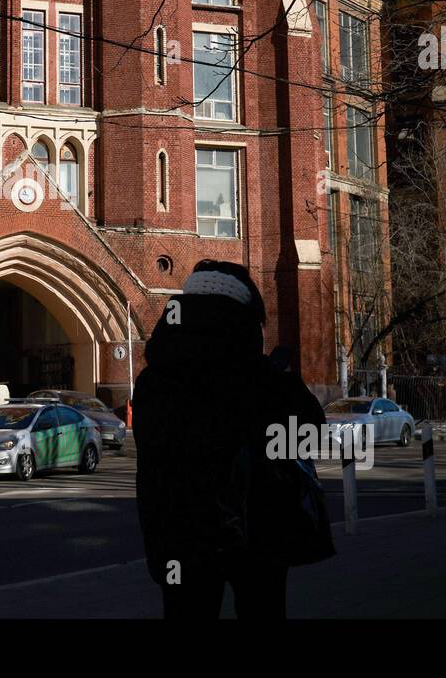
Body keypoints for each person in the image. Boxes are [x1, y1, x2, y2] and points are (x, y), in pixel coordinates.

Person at [134, 259, 328, 619]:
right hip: (256, 533)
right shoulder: (260, 381)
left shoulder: (153, 382)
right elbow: (308, 436)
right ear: (244, 319)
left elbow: (153, 463)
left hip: (178, 537)